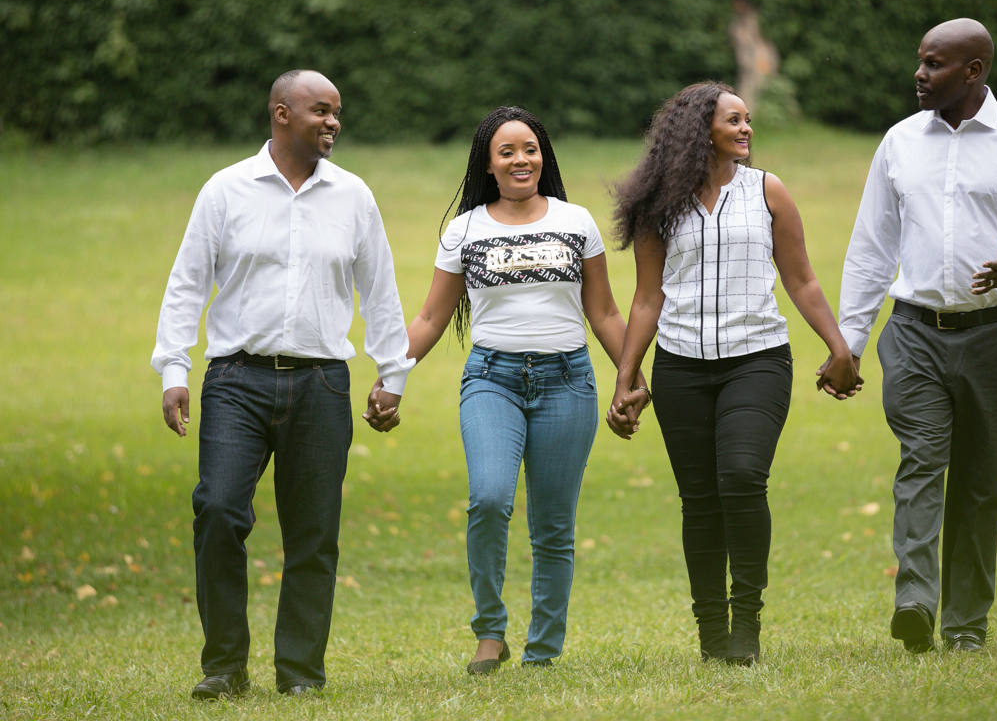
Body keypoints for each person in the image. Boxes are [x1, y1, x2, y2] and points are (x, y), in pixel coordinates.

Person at [152, 70, 414, 698]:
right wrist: (174, 369)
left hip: (322, 385)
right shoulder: (225, 190)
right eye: (321, 111)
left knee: (315, 533)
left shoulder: (354, 196)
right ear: (281, 113)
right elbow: (188, 282)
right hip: (236, 382)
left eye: (337, 113)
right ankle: (224, 667)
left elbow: (379, 290)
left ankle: (300, 673)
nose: (333, 123)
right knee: (217, 509)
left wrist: (392, 375)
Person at [826, 18, 997, 654]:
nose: (919, 74)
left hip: (996, 338)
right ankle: (915, 598)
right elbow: (870, 249)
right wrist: (849, 344)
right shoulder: (899, 142)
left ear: (974, 71)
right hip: (914, 333)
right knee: (922, 459)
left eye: (934, 64)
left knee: (980, 482)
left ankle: (966, 625)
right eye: (919, 61)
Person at [364, 106, 647, 673]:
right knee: (489, 498)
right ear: (488, 165)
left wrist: (631, 379)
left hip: (567, 379)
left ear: (543, 156)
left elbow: (605, 311)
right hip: (492, 379)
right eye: (507, 152)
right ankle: (490, 632)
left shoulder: (576, 221)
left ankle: (543, 649)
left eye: (531, 149)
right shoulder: (466, 230)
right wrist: (391, 378)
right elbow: (430, 317)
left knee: (553, 523)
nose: (521, 160)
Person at [607, 82, 860, 665]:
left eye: (748, 121)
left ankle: (746, 622)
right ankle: (711, 633)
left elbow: (801, 278)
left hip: (757, 359)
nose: (746, 129)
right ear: (701, 130)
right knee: (699, 500)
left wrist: (838, 345)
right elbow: (647, 299)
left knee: (743, 477)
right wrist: (628, 374)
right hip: (681, 367)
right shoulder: (658, 203)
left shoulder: (767, 191)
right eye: (734, 120)